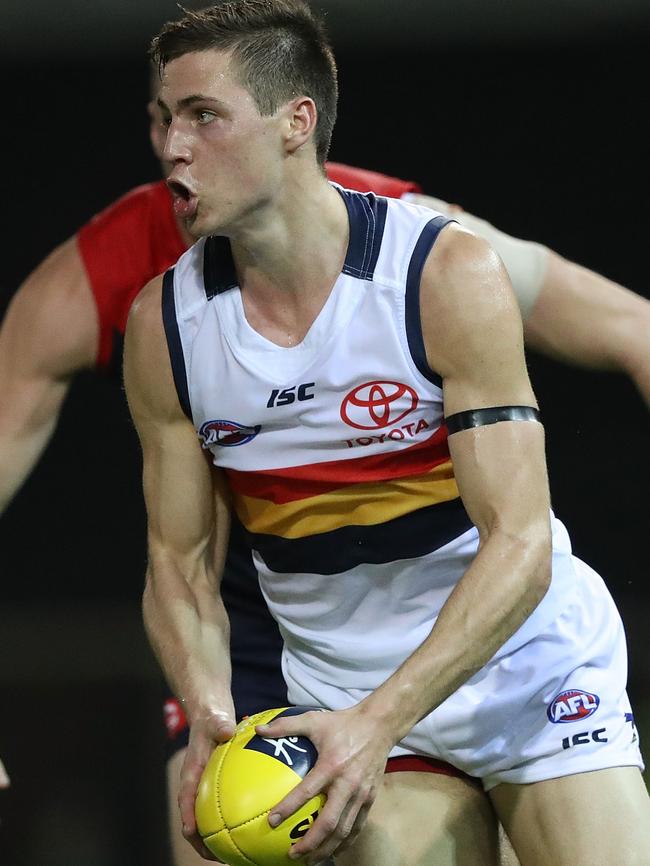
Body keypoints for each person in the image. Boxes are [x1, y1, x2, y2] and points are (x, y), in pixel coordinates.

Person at [2, 35, 649, 866]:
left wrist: (378, 721)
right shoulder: (159, 319)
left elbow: (521, 544)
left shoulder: (440, 268)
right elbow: (179, 560)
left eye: (203, 117)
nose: (173, 146)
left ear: (295, 124)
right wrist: (209, 714)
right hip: (332, 679)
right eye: (163, 120)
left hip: (525, 661)